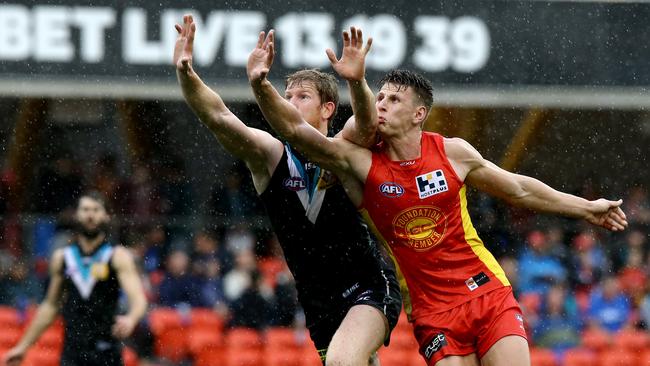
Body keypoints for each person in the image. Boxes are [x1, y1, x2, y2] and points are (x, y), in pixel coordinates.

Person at [247, 29, 629, 366]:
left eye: (394, 100)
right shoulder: (359, 164)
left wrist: (587, 209)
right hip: (433, 312)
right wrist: (264, 84)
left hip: (487, 292)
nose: (382, 105)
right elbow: (297, 133)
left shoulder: (453, 152)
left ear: (419, 113)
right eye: (379, 98)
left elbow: (519, 188)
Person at [173, 15, 401, 365]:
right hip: (317, 301)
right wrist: (186, 73)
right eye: (287, 95)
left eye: (302, 96)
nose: (291, 102)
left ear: (328, 108)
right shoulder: (268, 156)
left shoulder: (346, 148)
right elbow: (217, 117)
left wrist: (356, 83)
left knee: (343, 362)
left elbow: (368, 123)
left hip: (367, 284)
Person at [3, 192, 148, 366]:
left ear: (106, 216)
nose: (90, 215)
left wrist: (131, 318)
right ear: (76, 215)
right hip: (73, 352)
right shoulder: (62, 258)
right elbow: (50, 305)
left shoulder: (117, 256)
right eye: (85, 209)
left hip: (107, 351)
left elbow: (138, 298)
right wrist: (22, 347)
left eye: (96, 210)